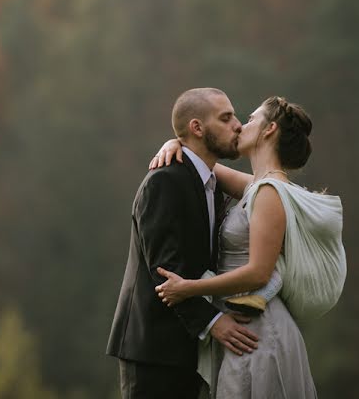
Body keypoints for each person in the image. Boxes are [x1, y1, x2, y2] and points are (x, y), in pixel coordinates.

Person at [151, 96, 346, 398]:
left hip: (260, 332)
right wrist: (175, 143)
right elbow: (202, 166)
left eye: (251, 119)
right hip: (246, 326)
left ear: (268, 130)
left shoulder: (269, 191)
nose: (241, 125)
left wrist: (188, 288)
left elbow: (258, 273)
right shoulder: (260, 186)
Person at [106, 88, 261, 399]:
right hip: (153, 350)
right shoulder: (164, 181)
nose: (238, 125)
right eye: (226, 118)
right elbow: (163, 268)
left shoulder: (211, 184)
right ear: (197, 128)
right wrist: (214, 322)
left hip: (188, 348)